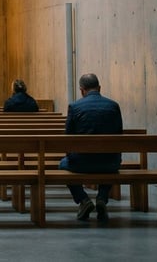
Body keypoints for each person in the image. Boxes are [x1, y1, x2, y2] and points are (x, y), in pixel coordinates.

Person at [60, 72, 123, 221]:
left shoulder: (74, 107)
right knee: (111, 160)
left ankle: (83, 200)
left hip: (81, 163)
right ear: (99, 88)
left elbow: (67, 139)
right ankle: (102, 198)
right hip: (109, 163)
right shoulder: (113, 106)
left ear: (82, 90)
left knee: (62, 165)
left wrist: (71, 157)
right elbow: (119, 135)